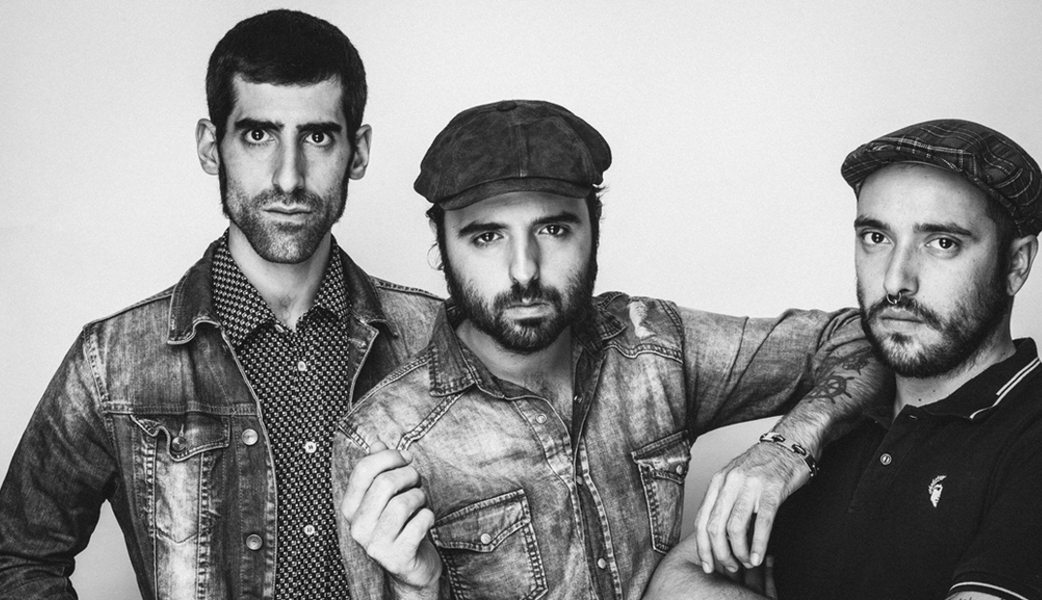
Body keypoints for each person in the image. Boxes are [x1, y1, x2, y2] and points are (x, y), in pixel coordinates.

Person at [332, 99, 888, 600]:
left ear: (594, 230)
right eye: (487, 236)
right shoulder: (384, 438)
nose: (524, 270)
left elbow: (863, 339)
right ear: (441, 244)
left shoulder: (654, 346)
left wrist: (783, 452)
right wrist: (417, 590)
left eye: (553, 230)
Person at [0, 10, 441, 599]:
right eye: (258, 135)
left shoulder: (434, 340)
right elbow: (15, 561)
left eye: (317, 137)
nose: (288, 177)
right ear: (210, 147)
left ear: (359, 152)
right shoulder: (112, 361)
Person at [645, 119, 1042, 600]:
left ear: (1016, 264)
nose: (895, 281)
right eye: (877, 238)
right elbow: (675, 582)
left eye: (942, 243)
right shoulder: (831, 426)